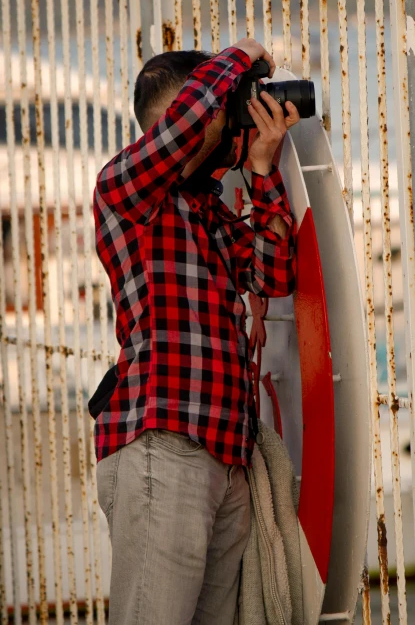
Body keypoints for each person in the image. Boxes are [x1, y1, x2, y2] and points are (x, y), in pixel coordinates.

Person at [92, 38, 300, 625]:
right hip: (165, 448)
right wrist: (240, 58)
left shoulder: (205, 209)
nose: (229, 125)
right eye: (226, 112)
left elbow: (272, 273)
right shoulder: (124, 188)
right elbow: (188, 124)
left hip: (222, 458)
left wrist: (261, 167)